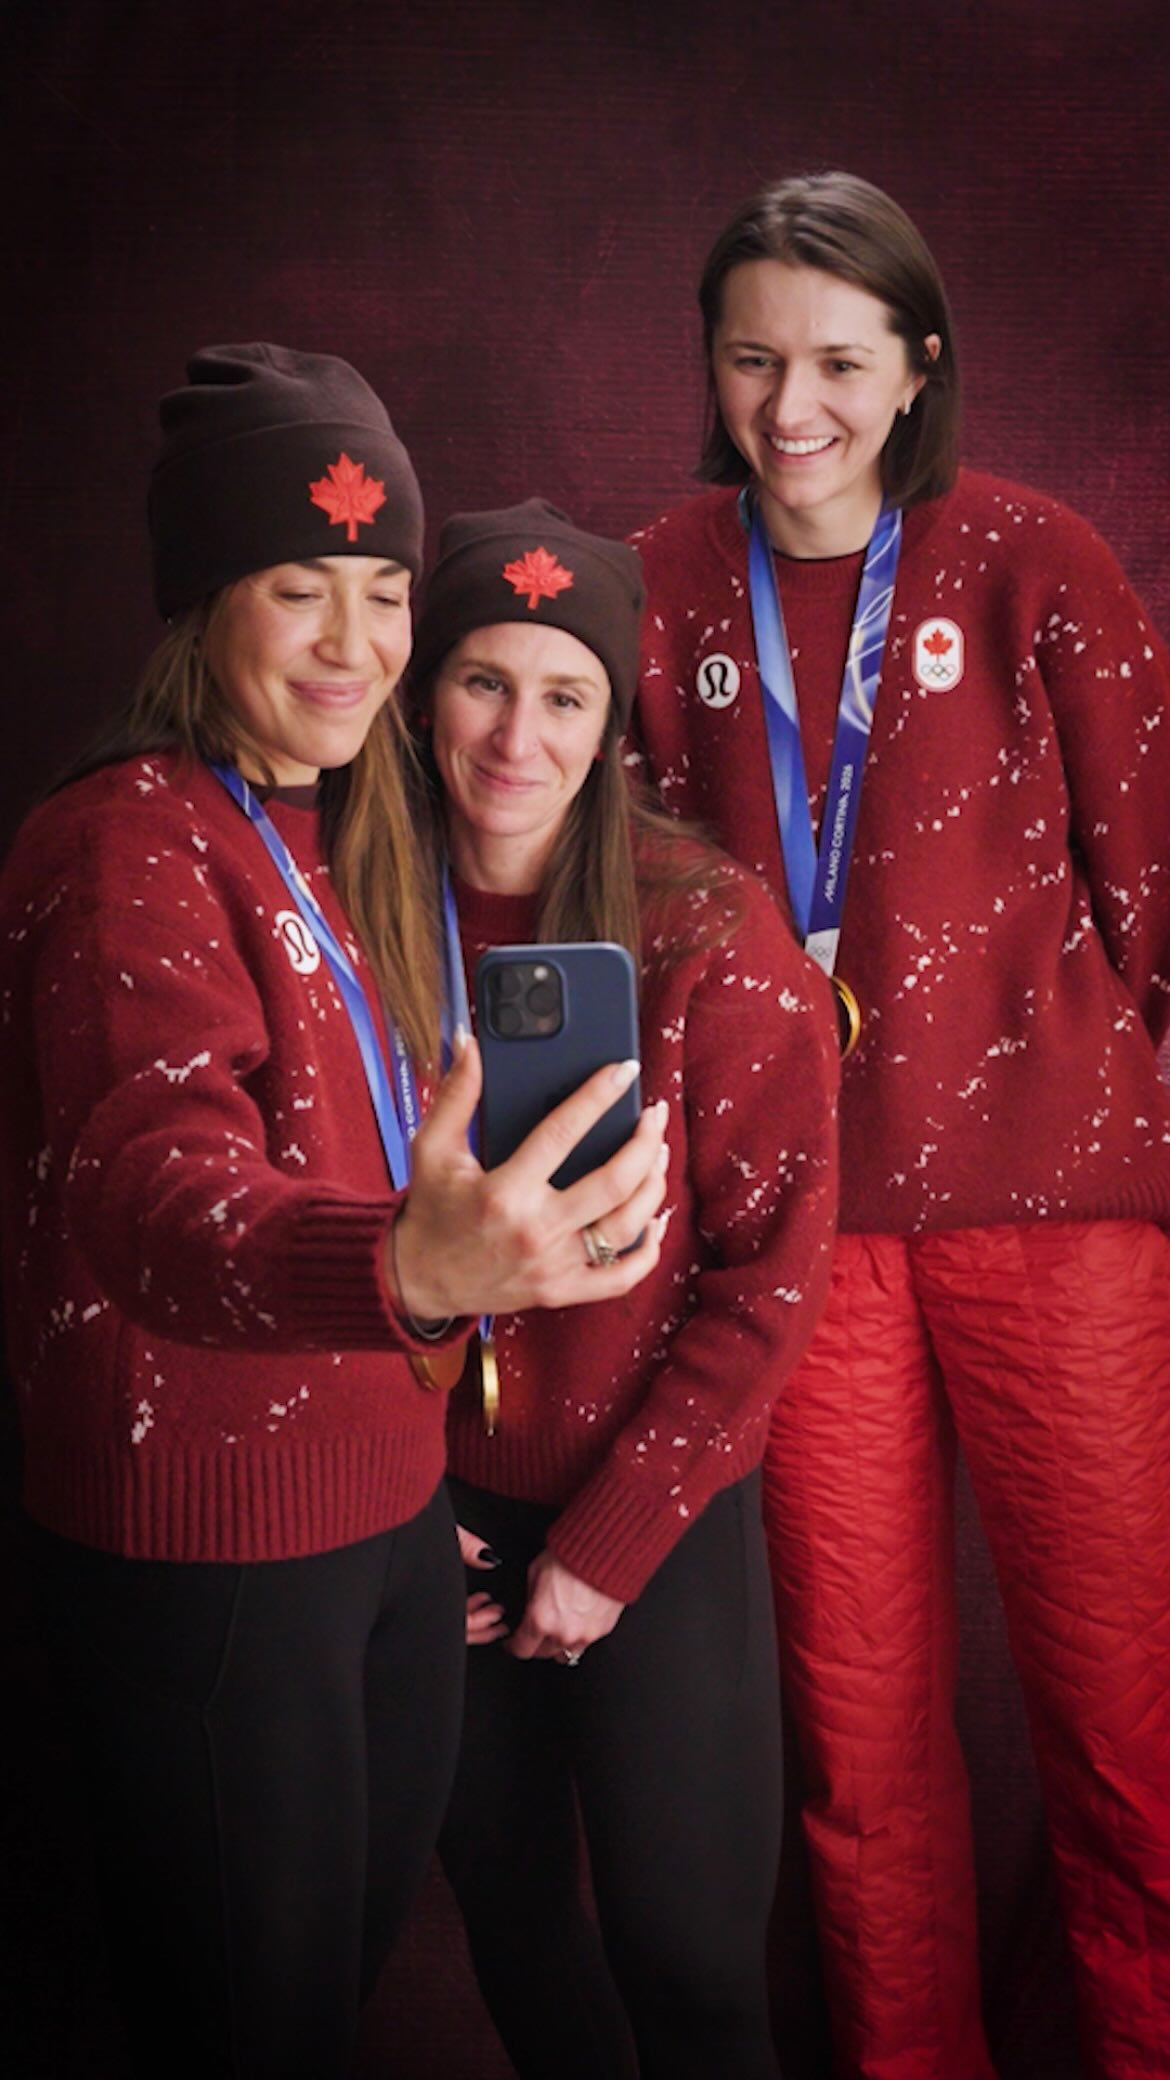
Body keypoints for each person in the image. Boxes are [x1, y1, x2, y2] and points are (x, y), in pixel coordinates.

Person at [0, 345, 670, 2080]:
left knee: (327, 2002)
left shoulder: (335, 830)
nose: (353, 643)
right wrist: (401, 1267)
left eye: (382, 593)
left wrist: (395, 1470)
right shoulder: (121, 842)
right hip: (206, 1543)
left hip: (368, 1517)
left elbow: (371, 1154)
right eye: (299, 589)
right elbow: (152, 1188)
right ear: (199, 604)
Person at [630, 170, 1170, 2080]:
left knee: (1125, 1724)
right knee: (856, 1751)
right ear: (710, 362)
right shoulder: (657, 584)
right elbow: (617, 899)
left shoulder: (1038, 556)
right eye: (754, 356)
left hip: (1058, 1212)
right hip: (801, 1228)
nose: (795, 406)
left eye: (840, 360)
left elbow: (1150, 891)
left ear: (917, 364)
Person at [401, 497, 839, 2080]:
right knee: (511, 1927)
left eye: (565, 693)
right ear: (419, 693)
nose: (517, 734)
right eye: (479, 682)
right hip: (426, 1524)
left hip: (649, 1511)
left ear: (611, 719)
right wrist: (390, 1500)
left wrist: (606, 1546)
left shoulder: (711, 942)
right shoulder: (349, 920)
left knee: (691, 1956)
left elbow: (766, 1286)